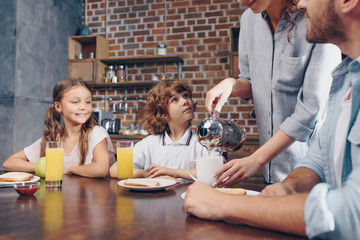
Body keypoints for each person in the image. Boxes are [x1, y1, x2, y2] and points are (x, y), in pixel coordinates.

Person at [185, 0, 360, 238]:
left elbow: (311, 109)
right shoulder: (347, 78)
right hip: (285, 178)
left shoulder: (318, 30)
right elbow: (319, 158)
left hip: (309, 177)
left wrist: (221, 203)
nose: (302, 3)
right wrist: (232, 84)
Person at [207, 0, 341, 187]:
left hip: (313, 172)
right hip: (270, 171)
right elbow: (251, 81)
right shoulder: (248, 20)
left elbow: (311, 110)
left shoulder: (315, 19)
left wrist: (256, 159)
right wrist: (230, 84)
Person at [3, 78, 115, 178]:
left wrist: (71, 169)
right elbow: (9, 163)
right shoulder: (53, 138)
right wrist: (45, 167)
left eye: (88, 102)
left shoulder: (96, 133)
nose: (83, 107)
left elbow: (101, 169)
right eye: (75, 102)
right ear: (58, 106)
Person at [109, 79, 208, 183]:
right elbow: (114, 170)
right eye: (175, 99)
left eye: (186, 95)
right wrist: (150, 175)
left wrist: (173, 172)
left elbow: (214, 173)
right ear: (163, 113)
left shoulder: (203, 143)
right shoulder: (149, 144)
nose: (185, 101)